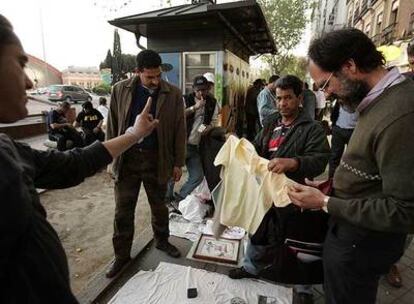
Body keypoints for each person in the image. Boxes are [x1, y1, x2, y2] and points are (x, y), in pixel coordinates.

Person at [0, 15, 158, 303]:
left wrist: (135, 134)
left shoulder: (7, 148)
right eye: (20, 63)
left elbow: (71, 165)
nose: (27, 81)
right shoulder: (120, 90)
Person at [288, 28, 414, 304]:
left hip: (363, 245)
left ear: (349, 66)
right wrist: (326, 188)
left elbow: (405, 210)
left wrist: (325, 202)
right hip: (352, 237)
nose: (328, 95)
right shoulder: (378, 102)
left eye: (325, 84)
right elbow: (370, 172)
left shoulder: (401, 114)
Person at [229, 75, 330, 304]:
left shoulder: (311, 128)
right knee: (259, 229)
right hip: (265, 191)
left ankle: (304, 288)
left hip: (295, 194)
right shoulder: (272, 123)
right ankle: (250, 268)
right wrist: (241, 146)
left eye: (288, 98)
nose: (283, 104)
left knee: (299, 239)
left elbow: (320, 160)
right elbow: (256, 148)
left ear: (299, 98)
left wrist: (293, 162)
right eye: (279, 98)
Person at [106, 49, 186, 278]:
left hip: (158, 158)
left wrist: (178, 162)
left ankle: (161, 241)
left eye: (158, 75)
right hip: (127, 158)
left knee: (159, 205)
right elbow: (112, 125)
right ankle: (121, 257)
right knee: (122, 211)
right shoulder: (120, 90)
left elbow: (180, 129)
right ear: (137, 71)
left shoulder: (173, 94)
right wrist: (110, 158)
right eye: (149, 76)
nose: (155, 81)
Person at [171, 75, 218, 203]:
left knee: (197, 175)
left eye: (204, 90)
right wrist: (195, 108)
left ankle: (180, 197)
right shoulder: (186, 99)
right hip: (180, 144)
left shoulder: (212, 102)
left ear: (208, 89)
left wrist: (207, 128)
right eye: (198, 90)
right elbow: (177, 116)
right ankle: (167, 198)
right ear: (193, 89)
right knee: (172, 173)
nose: (201, 93)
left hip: (195, 146)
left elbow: (213, 121)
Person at [328, 100, 358, 178]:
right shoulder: (339, 100)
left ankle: (348, 180)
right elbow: (334, 113)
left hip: (354, 131)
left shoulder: (360, 99)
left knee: (352, 158)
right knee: (335, 157)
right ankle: (331, 180)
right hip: (338, 130)